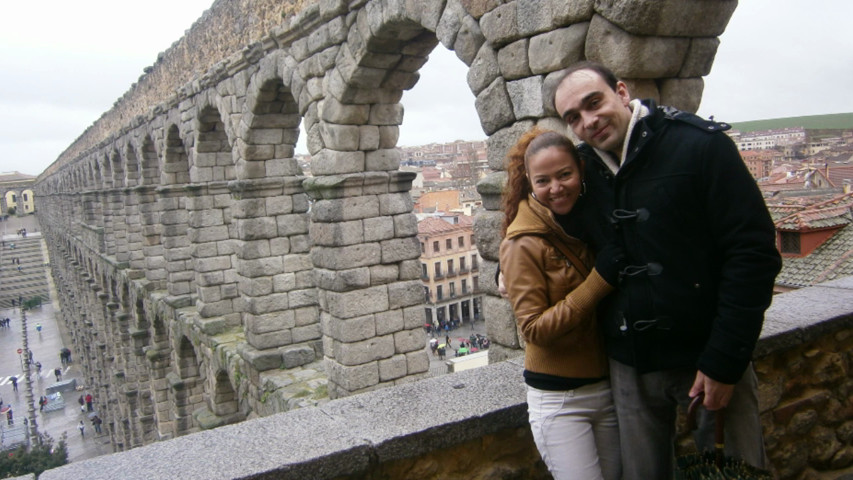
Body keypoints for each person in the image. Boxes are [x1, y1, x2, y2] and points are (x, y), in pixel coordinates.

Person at [551, 61, 782, 479]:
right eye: (573, 117)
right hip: (630, 365)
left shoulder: (699, 146)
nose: (588, 121)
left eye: (593, 102)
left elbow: (753, 254)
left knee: (732, 473)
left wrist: (725, 360)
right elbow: (536, 205)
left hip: (708, 353)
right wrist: (515, 265)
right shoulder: (582, 172)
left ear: (621, 92)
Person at [499, 128, 625, 480]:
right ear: (528, 182)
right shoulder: (522, 243)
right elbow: (533, 328)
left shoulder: (587, 220)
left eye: (564, 174)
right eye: (543, 180)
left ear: (581, 170)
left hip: (606, 385)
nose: (556, 188)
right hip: (560, 399)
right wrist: (600, 280)